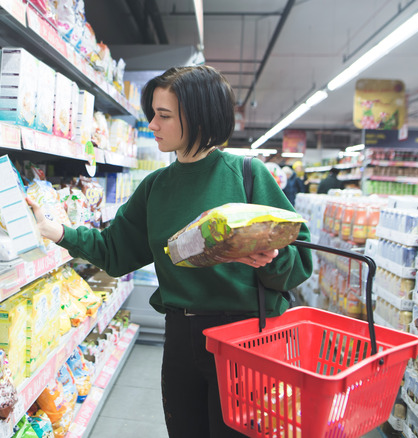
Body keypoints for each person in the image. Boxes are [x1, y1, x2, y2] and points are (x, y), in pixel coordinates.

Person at [26, 66, 312, 438]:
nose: (152, 125)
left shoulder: (247, 174)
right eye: (152, 114)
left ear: (197, 117)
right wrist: (58, 231)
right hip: (180, 336)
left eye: (164, 115)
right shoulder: (155, 187)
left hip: (243, 338)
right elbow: (115, 252)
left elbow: (298, 262)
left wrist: (266, 255)